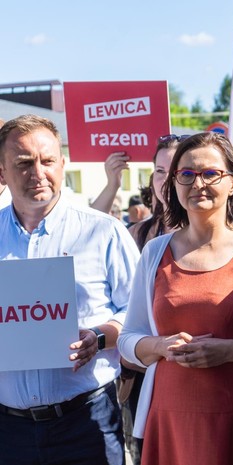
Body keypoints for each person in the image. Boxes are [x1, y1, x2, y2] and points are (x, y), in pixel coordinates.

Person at [118, 132, 233, 465]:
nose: (198, 183)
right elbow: (128, 339)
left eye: (210, 173)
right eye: (186, 174)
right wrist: (159, 346)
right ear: (174, 183)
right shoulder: (154, 253)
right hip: (171, 422)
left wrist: (230, 351)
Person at [0, 114, 140, 464]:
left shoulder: (104, 232)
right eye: (23, 163)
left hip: (87, 423)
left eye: (47, 161)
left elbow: (141, 313)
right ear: (2, 172)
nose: (38, 173)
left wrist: (100, 336)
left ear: (62, 165)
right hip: (8, 431)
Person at [120, 134, 182, 465]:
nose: (165, 180)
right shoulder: (137, 233)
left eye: (176, 170)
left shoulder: (220, 235)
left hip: (192, 366)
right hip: (143, 369)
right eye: (159, 171)